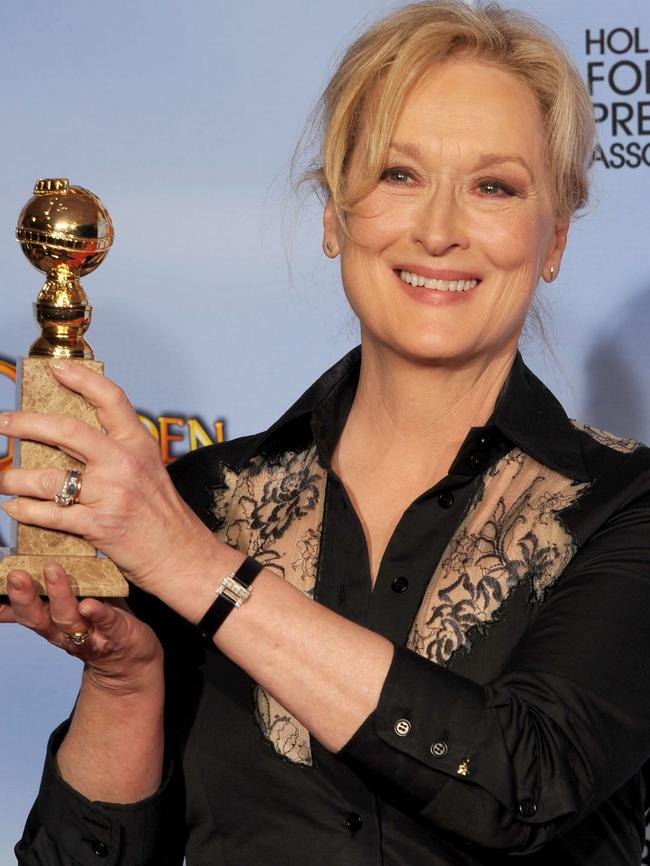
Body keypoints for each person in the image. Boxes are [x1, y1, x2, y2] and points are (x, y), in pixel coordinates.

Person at [2, 1, 650, 863]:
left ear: (555, 236)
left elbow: (528, 779)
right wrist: (125, 681)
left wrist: (196, 570)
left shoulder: (626, 507)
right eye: (397, 175)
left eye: (494, 186)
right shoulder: (196, 503)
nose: (439, 229)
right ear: (332, 215)